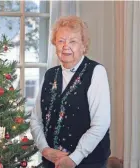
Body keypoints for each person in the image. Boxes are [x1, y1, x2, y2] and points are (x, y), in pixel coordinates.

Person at [30, 16, 111, 168]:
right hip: (51, 162)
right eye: (61, 41)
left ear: (83, 46)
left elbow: (100, 124)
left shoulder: (96, 72)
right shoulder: (49, 74)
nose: (66, 46)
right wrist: (45, 150)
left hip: (87, 163)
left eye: (73, 41)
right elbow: (36, 119)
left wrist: (74, 158)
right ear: (55, 45)